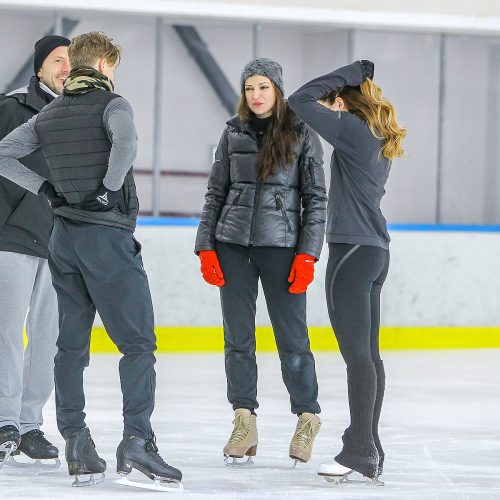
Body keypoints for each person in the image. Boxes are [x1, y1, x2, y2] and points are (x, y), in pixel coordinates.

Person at [0, 31, 182, 491]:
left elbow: (3, 153)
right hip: (106, 237)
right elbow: (126, 146)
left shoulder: (50, 112)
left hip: (62, 239)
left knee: (68, 346)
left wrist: (45, 189)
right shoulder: (113, 104)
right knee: (138, 344)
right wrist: (106, 189)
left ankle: (77, 443)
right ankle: (137, 442)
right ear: (102, 64)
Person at [195, 57, 327, 466]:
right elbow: (215, 193)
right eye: (249, 88)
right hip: (232, 244)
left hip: (283, 248)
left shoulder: (303, 133)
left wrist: (307, 254)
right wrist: (206, 246)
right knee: (238, 339)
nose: (255, 96)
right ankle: (244, 419)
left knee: (293, 340)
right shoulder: (231, 131)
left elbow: (315, 199)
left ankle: (307, 417)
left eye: (263, 88)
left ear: (278, 90)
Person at [288, 60, 406, 485]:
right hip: (373, 251)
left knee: (358, 358)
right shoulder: (374, 136)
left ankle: (358, 448)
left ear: (340, 103)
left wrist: (349, 72)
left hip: (351, 253)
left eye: (331, 105)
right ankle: (368, 446)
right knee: (368, 357)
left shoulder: (352, 130)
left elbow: (298, 99)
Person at [0, 35, 70, 470]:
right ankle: (4, 421)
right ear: (40, 66)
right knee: (6, 333)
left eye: (71, 61)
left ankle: (30, 425)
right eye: (58, 60)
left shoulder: (83, 114)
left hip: (61, 241)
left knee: (47, 339)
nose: (66, 67)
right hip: (11, 236)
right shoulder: (8, 109)